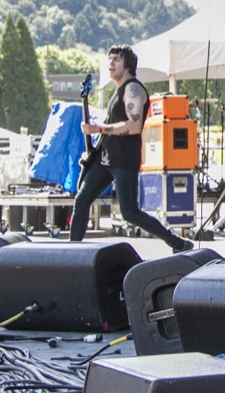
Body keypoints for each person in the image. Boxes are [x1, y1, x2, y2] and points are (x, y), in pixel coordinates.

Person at [70, 45, 193, 252]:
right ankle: (71, 253)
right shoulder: (118, 91)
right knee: (81, 201)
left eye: (116, 59)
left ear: (127, 65)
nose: (111, 63)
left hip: (124, 160)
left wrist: (99, 128)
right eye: (109, 59)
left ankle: (178, 243)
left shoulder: (132, 89)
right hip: (107, 158)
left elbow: (134, 126)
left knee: (130, 213)